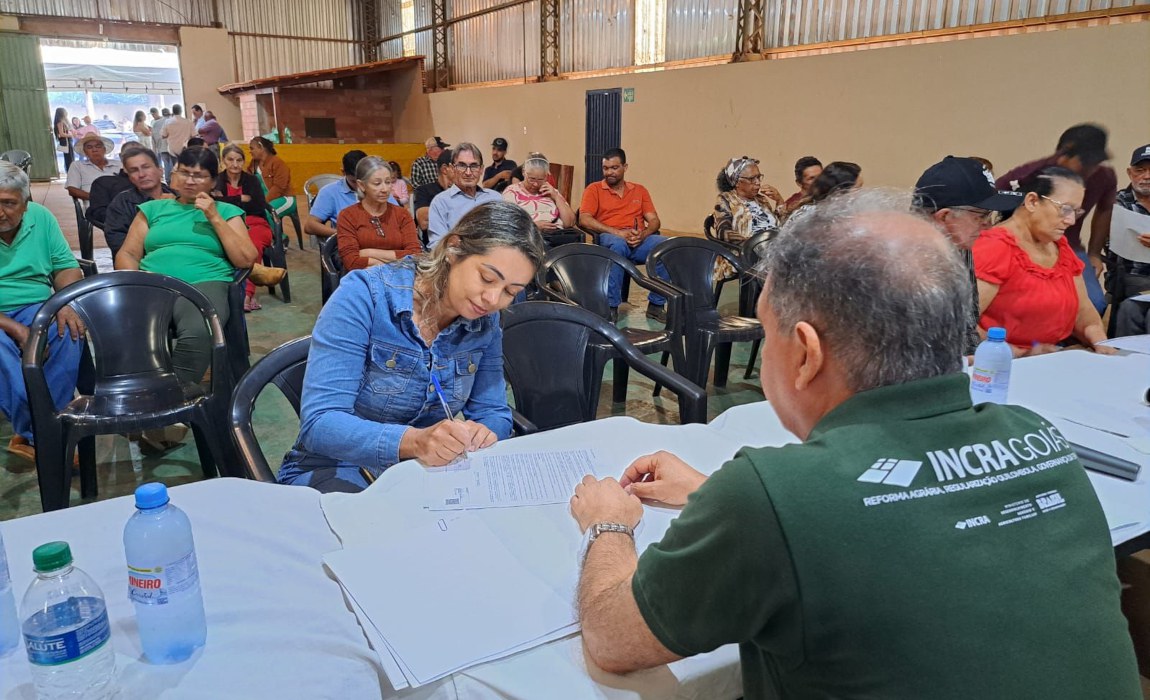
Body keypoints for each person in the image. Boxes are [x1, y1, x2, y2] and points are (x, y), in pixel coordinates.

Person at [568, 188, 1141, 700]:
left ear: (806, 353)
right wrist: (713, 496)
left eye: (767, 334)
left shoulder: (773, 496)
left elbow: (613, 639)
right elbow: (908, 520)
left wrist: (609, 524)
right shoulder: (1036, 438)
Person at [277, 201, 546, 493]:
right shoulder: (365, 297)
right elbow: (321, 424)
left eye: (510, 291)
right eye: (487, 278)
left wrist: (483, 433)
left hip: (422, 473)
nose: (493, 299)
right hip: (336, 465)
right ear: (454, 249)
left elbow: (492, 411)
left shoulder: (485, 322)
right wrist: (415, 442)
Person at [115, 147, 259, 384]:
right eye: (184, 173)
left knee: (200, 330)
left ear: (213, 181)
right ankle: (146, 391)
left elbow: (245, 259)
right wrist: (134, 285)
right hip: (152, 284)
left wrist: (214, 217)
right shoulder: (153, 209)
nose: (190, 181)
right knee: (128, 328)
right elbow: (129, 253)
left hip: (205, 281)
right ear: (173, 174)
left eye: (199, 175)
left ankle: (174, 394)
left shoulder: (226, 212)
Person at [974, 166, 1112, 355]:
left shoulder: (1059, 246)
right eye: (1065, 209)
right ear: (1032, 201)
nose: (1071, 220)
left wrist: (1101, 344)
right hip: (1002, 361)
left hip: (1051, 356)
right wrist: (1022, 353)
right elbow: (964, 327)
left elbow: (1084, 314)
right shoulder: (994, 247)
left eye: (1076, 212)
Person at [0, 162, 85, 463]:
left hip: (36, 304)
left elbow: (66, 267)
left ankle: (31, 431)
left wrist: (62, 302)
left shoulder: (41, 218)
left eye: (8, 203)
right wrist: (14, 328)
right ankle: (47, 435)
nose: (0, 212)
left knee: (69, 330)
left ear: (25, 203)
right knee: (4, 354)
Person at [996, 124, 1114, 314]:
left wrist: (1094, 253)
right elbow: (994, 195)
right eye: (1086, 163)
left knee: (1094, 303)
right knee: (1035, 304)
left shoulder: (1104, 176)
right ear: (1065, 155)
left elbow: (1105, 210)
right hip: (1026, 248)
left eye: (1095, 164)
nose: (1091, 170)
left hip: (1072, 248)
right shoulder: (1032, 173)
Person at [914, 155, 1023, 354]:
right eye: (981, 216)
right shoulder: (896, 264)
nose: (989, 225)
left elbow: (967, 328)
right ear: (944, 217)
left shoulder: (959, 245)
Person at [578, 147, 668, 322]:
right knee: (618, 246)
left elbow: (655, 220)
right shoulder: (594, 189)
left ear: (625, 167)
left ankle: (656, 305)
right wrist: (618, 233)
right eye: (606, 168)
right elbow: (584, 219)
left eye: (614, 168)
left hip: (638, 239)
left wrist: (644, 234)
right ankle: (611, 306)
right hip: (609, 237)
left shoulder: (639, 190)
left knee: (665, 247)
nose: (609, 172)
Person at [213, 144, 278, 311]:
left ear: (244, 161)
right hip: (229, 223)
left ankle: (247, 294)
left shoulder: (251, 180)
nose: (235, 164)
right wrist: (241, 199)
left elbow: (257, 205)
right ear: (223, 161)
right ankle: (226, 292)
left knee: (252, 246)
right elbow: (216, 205)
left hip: (255, 222)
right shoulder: (217, 180)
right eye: (230, 160)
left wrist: (228, 200)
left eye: (239, 160)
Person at [337, 156, 421, 271]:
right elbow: (351, 262)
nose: (385, 189)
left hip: (401, 279)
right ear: (361, 185)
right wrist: (395, 261)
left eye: (388, 182)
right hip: (363, 279)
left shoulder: (402, 215)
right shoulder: (347, 216)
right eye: (377, 183)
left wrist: (369, 252)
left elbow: (415, 255)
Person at [1108, 145, 1150, 337]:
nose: (1146, 176)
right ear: (1129, 173)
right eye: (1140, 170)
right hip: (1133, 278)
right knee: (1129, 309)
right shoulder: (1118, 203)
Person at [427, 142, 502, 248]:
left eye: (474, 166)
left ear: (481, 170)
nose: (468, 172)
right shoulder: (441, 202)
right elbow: (437, 246)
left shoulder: (495, 198)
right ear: (452, 168)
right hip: (459, 260)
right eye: (462, 166)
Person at [103, 147, 174, 257]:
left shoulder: (178, 197)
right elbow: (119, 245)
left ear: (160, 170)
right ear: (130, 178)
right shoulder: (122, 204)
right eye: (134, 170)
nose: (141, 174)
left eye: (146, 167)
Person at [712, 155, 782, 245]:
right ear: (737, 182)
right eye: (752, 179)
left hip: (775, 246)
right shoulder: (726, 200)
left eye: (758, 177)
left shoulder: (761, 199)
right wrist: (752, 244)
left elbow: (779, 225)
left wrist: (779, 200)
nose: (758, 182)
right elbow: (723, 233)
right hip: (748, 252)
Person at [304, 149, 369, 240]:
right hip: (348, 242)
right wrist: (342, 234)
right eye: (354, 181)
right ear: (343, 172)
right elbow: (310, 226)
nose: (360, 186)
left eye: (363, 180)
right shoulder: (330, 192)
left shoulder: (379, 188)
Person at [502, 154, 576, 230]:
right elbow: (507, 223)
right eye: (532, 179)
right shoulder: (512, 192)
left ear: (546, 176)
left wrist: (556, 197)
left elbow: (570, 223)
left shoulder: (551, 191)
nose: (535, 184)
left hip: (558, 236)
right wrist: (533, 227)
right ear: (524, 172)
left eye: (540, 180)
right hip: (529, 237)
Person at [785, 160, 862, 222]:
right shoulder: (814, 214)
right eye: (811, 178)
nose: (818, 180)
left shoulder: (845, 211)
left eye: (820, 176)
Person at [247, 136, 295, 218]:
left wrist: (263, 202)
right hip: (263, 199)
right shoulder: (254, 163)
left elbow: (279, 188)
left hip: (284, 198)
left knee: (266, 213)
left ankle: (274, 231)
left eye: (252, 148)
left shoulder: (278, 163)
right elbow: (248, 181)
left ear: (261, 147)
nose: (250, 152)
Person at [65, 134, 121, 201]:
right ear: (85, 152)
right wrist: (96, 198)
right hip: (95, 206)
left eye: (98, 146)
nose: (94, 150)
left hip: (120, 203)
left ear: (104, 149)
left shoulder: (119, 165)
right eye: (89, 147)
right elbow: (72, 189)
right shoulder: (77, 166)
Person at [413, 149, 454, 236]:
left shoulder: (466, 190)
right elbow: (423, 222)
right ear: (445, 169)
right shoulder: (424, 190)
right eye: (458, 166)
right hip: (435, 245)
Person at [152, 108, 173, 181]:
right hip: (172, 147)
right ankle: (173, 180)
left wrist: (156, 147)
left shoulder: (156, 123)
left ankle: (168, 180)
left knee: (166, 164)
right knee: (173, 164)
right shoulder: (172, 121)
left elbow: (154, 137)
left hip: (161, 147)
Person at [54, 107, 74, 174]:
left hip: (68, 141)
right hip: (66, 142)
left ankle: (70, 172)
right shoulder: (60, 122)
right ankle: (70, 172)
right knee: (69, 158)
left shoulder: (63, 121)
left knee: (70, 157)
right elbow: (61, 134)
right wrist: (71, 135)